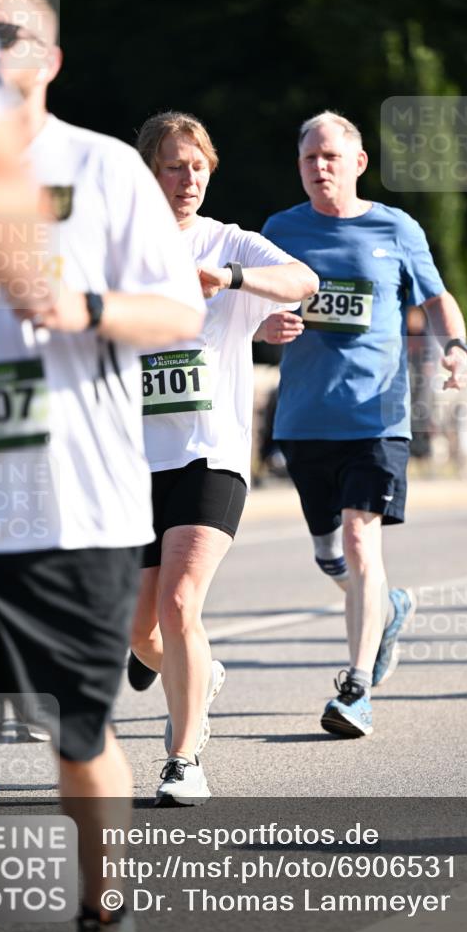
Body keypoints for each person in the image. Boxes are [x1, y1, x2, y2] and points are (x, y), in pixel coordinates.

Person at [0, 0, 205, 932]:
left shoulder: (103, 169)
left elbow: (175, 312)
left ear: (45, 59)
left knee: (77, 737)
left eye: (2, 34)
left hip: (74, 510)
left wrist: (85, 307)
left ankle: (104, 911)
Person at [262, 111, 467, 739]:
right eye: (309, 159)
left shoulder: (395, 227)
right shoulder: (280, 230)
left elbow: (435, 297)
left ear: (358, 163)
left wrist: (454, 348)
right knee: (331, 556)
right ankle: (390, 606)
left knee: (361, 542)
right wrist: (265, 326)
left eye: (331, 156)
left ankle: (356, 689)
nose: (320, 167)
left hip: (377, 417)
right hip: (304, 419)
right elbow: (245, 309)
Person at [127, 111, 318, 805]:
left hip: (210, 454)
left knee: (181, 602)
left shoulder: (228, 242)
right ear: (150, 172)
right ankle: (198, 677)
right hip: (129, 465)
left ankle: (183, 760)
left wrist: (235, 280)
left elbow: (303, 281)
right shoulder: (118, 249)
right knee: (141, 631)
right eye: (174, 167)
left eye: (197, 167)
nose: (187, 180)